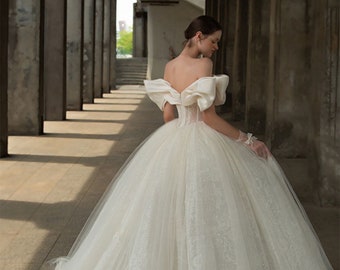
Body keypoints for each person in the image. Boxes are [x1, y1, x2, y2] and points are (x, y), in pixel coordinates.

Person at [47, 15, 333, 269]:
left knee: (165, 206)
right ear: (199, 37)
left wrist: (176, 141)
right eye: (214, 41)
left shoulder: (170, 66)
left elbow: (169, 113)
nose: (216, 48)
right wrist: (247, 140)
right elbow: (208, 118)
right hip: (200, 136)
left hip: (174, 136)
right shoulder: (204, 64)